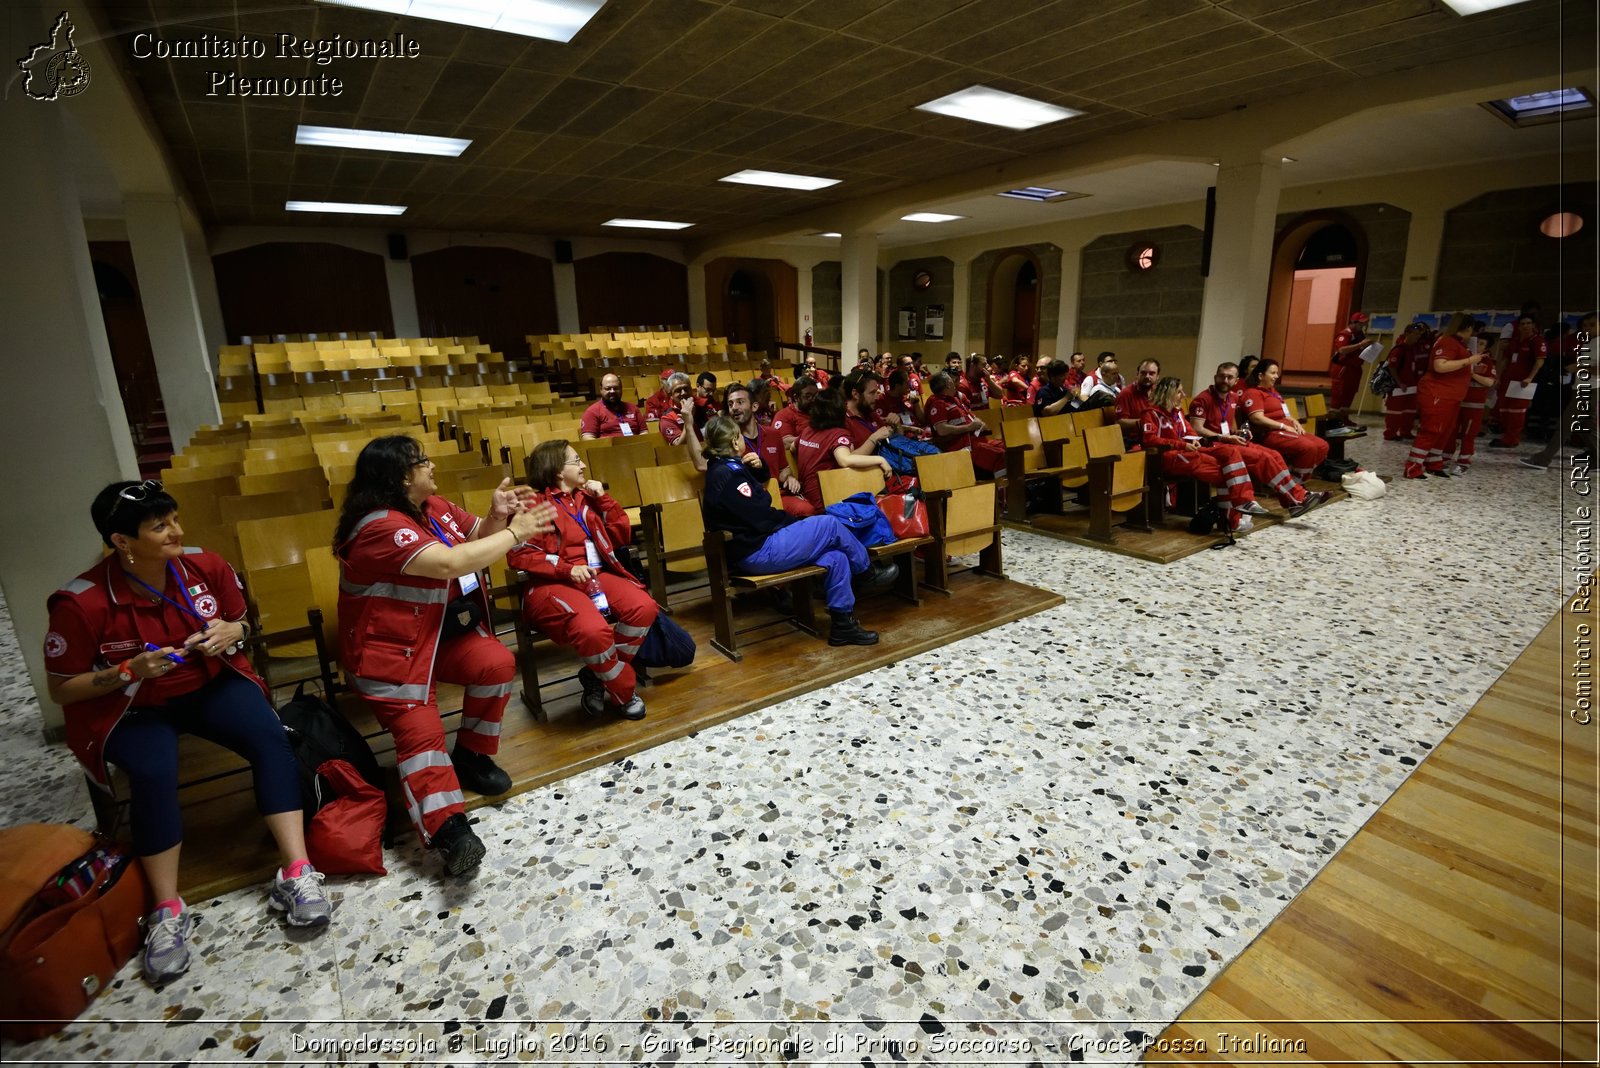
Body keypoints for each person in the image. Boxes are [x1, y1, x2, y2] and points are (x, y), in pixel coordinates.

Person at [46, 480, 334, 983]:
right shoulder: (82, 601)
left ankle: (296, 872)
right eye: (160, 526)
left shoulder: (204, 565)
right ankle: (167, 910)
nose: (177, 531)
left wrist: (233, 631)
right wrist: (128, 671)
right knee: (155, 771)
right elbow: (63, 689)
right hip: (133, 706)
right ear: (121, 541)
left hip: (209, 684)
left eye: (175, 518)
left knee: (272, 737)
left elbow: (244, 619)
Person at [335, 436, 554, 875]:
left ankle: (471, 755)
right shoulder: (379, 526)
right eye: (422, 462)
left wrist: (497, 516)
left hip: (433, 638)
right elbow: (453, 564)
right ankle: (449, 831)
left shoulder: (432, 506)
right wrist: (515, 533)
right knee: (422, 737)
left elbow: (476, 540)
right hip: (389, 654)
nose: (432, 466)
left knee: (495, 663)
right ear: (401, 477)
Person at [700, 416, 883, 647]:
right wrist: (770, 503)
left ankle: (843, 626)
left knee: (837, 558)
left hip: (760, 545)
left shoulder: (729, 468)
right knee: (829, 524)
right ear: (735, 443)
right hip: (756, 552)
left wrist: (759, 467)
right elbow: (760, 512)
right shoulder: (726, 475)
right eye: (739, 435)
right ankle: (867, 572)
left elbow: (760, 488)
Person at [509, 440, 659, 721]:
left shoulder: (587, 498)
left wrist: (604, 500)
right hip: (551, 583)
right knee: (593, 631)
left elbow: (620, 538)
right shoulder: (533, 504)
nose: (583, 465)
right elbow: (521, 555)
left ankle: (595, 675)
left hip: (595, 574)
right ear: (556, 470)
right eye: (576, 460)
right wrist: (566, 568)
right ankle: (624, 692)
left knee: (644, 607)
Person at [1189, 362, 1327, 513]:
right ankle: (1298, 496)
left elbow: (1227, 426)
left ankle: (1292, 501)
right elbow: (1197, 429)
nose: (1225, 380)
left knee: (1274, 455)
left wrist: (1237, 432)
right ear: (1215, 377)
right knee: (1262, 457)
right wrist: (1224, 437)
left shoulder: (1233, 397)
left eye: (1230, 377)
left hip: (1231, 441)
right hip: (1213, 444)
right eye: (1222, 376)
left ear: (1236, 381)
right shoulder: (1203, 399)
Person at [1141, 378, 1263, 533]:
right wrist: (1182, 444)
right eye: (1179, 392)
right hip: (1166, 457)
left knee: (1230, 451)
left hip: (1187, 451)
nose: (1183, 395)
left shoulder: (1177, 413)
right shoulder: (1151, 413)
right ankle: (1234, 517)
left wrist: (1196, 440)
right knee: (1225, 473)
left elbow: (1189, 432)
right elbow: (1149, 439)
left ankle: (1244, 503)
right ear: (1168, 393)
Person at [1405, 312, 1480, 479]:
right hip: (1438, 393)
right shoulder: (1448, 342)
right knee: (1431, 430)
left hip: (1452, 395)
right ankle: (1413, 466)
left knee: (1445, 431)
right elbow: (1440, 366)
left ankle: (1433, 462)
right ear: (1468, 328)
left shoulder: (1460, 345)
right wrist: (1469, 361)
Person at [1521, 311, 1598, 472]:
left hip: (1590, 389)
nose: (1587, 328)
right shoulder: (1590, 343)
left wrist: (1578, 368)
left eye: (1592, 325)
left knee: (1566, 424)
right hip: (1582, 388)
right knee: (1585, 427)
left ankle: (1543, 458)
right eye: (1585, 325)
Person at [795, 388, 893, 509]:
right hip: (826, 500)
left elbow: (794, 448)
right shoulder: (837, 434)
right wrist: (880, 459)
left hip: (806, 494)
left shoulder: (807, 431)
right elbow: (845, 459)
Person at [728, 381, 813, 517]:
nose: (734, 407)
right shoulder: (729, 441)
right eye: (730, 404)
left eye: (740, 402)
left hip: (777, 494)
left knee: (807, 510)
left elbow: (783, 469)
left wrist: (789, 478)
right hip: (750, 500)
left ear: (754, 406)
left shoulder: (773, 434)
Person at [1241, 358, 1329, 482]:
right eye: (1273, 373)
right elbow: (1257, 418)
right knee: (1308, 447)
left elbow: (1286, 413)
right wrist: (1284, 427)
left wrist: (1295, 421)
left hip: (1286, 429)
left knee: (1322, 446)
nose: (1276, 376)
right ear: (1261, 375)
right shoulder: (1253, 393)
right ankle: (1293, 484)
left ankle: (1293, 477)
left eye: (1277, 373)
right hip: (1271, 432)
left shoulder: (1273, 392)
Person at [926, 371, 1006, 475]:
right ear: (948, 384)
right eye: (952, 381)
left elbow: (969, 417)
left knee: (1008, 446)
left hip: (975, 439)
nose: (955, 383)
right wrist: (969, 427)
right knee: (1000, 454)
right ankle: (1002, 488)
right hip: (961, 447)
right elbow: (942, 430)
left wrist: (979, 423)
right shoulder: (938, 404)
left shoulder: (955, 400)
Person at [1488, 314, 1547, 448]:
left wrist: (1530, 378)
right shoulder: (1514, 341)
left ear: (1533, 326)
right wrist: (1498, 377)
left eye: (1528, 323)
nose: (1525, 326)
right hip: (1507, 379)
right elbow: (1505, 360)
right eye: (1522, 324)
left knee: (1516, 412)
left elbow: (1539, 362)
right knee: (1504, 410)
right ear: (1518, 326)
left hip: (1522, 382)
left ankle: (1512, 439)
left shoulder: (1537, 341)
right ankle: (1506, 436)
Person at [1448, 326, 1497, 475]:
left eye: (1482, 344)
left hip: (1474, 405)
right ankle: (1444, 457)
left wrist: (1472, 374)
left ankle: (1464, 461)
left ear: (1487, 348)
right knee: (1451, 431)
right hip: (1457, 401)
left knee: (1468, 434)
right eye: (1477, 342)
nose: (1478, 346)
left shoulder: (1487, 362)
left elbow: (1489, 382)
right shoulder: (1462, 358)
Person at [1382, 323, 1430, 440]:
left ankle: (1405, 431)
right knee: (1395, 412)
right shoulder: (1399, 349)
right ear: (1407, 334)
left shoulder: (1414, 349)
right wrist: (1399, 382)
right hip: (1398, 387)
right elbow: (1392, 367)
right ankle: (1391, 433)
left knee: (1409, 411)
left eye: (1419, 334)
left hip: (1412, 386)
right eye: (1415, 334)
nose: (1418, 337)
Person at [1327, 310, 1371, 428]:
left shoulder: (1359, 334)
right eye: (1361, 323)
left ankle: (1344, 419)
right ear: (1353, 322)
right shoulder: (1345, 335)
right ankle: (1333, 421)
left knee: (1349, 394)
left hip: (1355, 369)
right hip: (1343, 369)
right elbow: (1342, 350)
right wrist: (1360, 345)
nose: (1363, 326)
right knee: (1338, 395)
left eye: (1364, 323)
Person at [581, 373, 646, 439]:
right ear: (601, 390)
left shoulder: (633, 408)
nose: (612, 391)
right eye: (608, 388)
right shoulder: (592, 411)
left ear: (621, 389)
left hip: (635, 447)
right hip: (608, 448)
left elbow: (644, 432)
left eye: (616, 388)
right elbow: (588, 438)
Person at [1115, 358, 1161, 445]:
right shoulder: (1126, 394)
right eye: (1143, 373)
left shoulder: (1158, 393)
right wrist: (1145, 422)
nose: (1147, 376)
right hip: (1134, 440)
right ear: (1137, 374)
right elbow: (1119, 423)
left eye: (1151, 373)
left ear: (1157, 376)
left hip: (1155, 437)